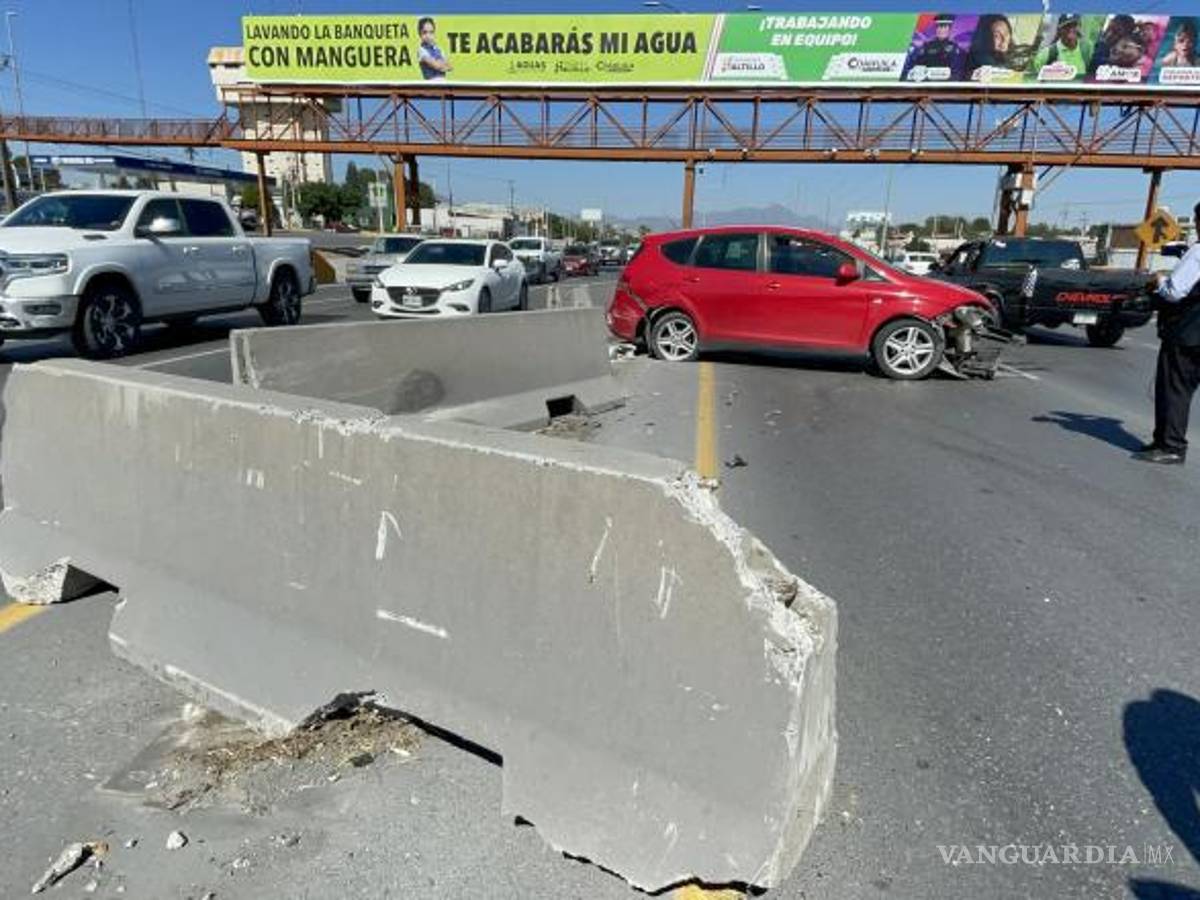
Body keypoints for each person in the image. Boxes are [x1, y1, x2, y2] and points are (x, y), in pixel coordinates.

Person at [1136, 201, 1200, 465]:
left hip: (1187, 333)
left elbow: (1174, 292)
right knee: (1178, 388)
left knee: (1174, 389)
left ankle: (1171, 446)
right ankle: (1162, 440)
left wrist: (1159, 281)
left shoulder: (1198, 253)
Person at [417, 16, 451, 80]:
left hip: (443, 82)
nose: (428, 36)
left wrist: (439, 64)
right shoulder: (421, 50)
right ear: (419, 33)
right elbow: (436, 66)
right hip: (431, 83)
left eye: (431, 32)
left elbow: (449, 67)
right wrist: (440, 64)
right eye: (424, 32)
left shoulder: (438, 49)